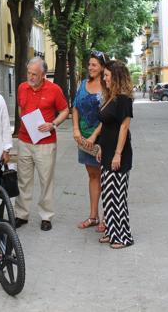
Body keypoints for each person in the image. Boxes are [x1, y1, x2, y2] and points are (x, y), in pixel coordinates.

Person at [14, 57, 69, 231]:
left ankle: (46, 216)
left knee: (46, 180)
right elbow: (20, 107)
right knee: (23, 180)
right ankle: (21, 215)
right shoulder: (22, 87)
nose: (30, 77)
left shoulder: (54, 89)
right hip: (24, 141)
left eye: (34, 74)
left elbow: (65, 110)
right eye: (29, 73)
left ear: (43, 75)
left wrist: (52, 124)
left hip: (45, 142)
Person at [96, 60, 135, 249]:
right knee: (109, 196)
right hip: (107, 152)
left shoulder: (124, 99)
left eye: (107, 76)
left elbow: (124, 126)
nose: (104, 79)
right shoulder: (110, 97)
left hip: (119, 154)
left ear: (117, 77)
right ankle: (112, 231)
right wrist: (102, 148)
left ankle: (124, 236)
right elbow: (107, 126)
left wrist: (117, 154)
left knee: (118, 196)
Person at [73, 51, 106, 233]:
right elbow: (76, 107)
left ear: (102, 67)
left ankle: (108, 218)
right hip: (84, 139)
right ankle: (93, 216)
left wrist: (94, 136)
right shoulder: (83, 84)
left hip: (101, 138)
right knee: (93, 176)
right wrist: (76, 130)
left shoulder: (106, 85)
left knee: (107, 178)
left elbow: (108, 113)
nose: (91, 68)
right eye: (89, 64)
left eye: (94, 64)